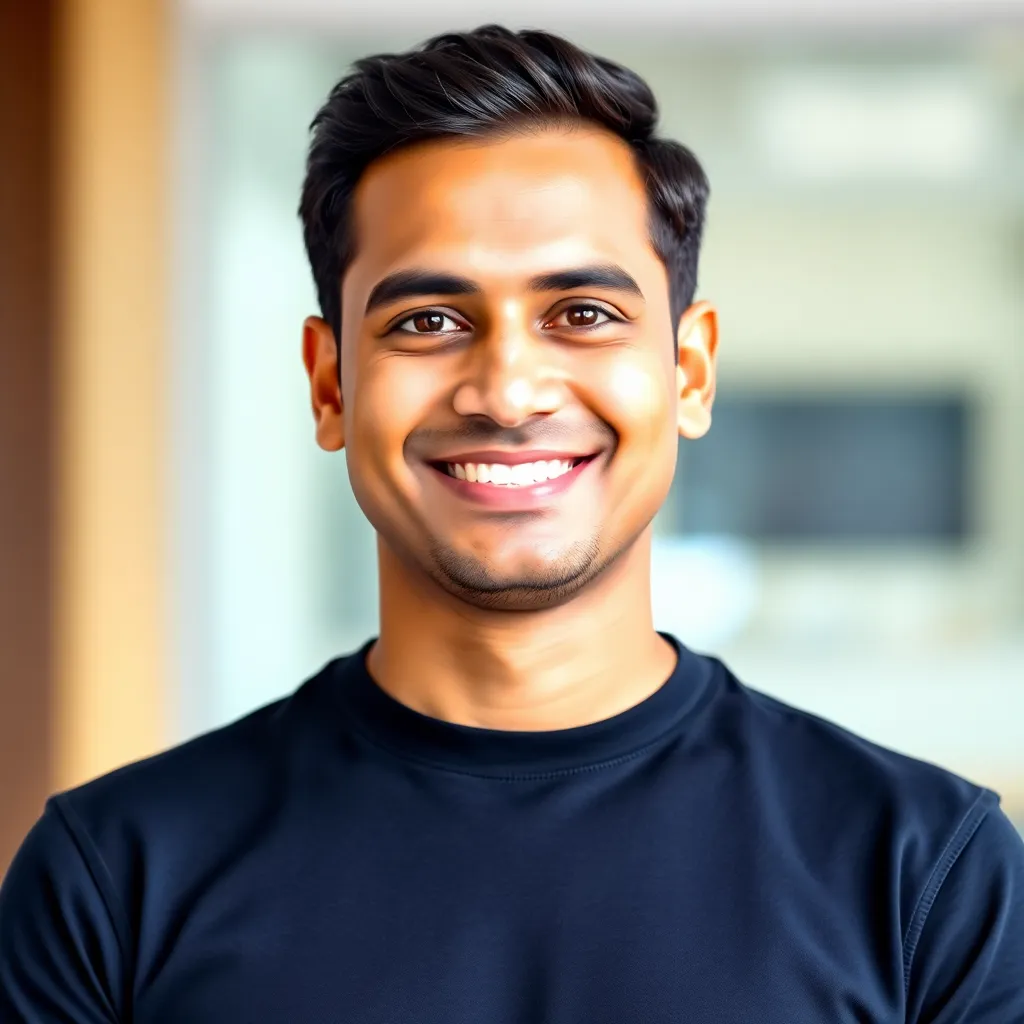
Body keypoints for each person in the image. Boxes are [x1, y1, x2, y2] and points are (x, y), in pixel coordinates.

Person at [2, 24, 1022, 1023]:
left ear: (689, 371)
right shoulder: (115, 881)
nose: (506, 390)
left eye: (581, 313)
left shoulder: (929, 873)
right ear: (329, 386)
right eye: (426, 322)